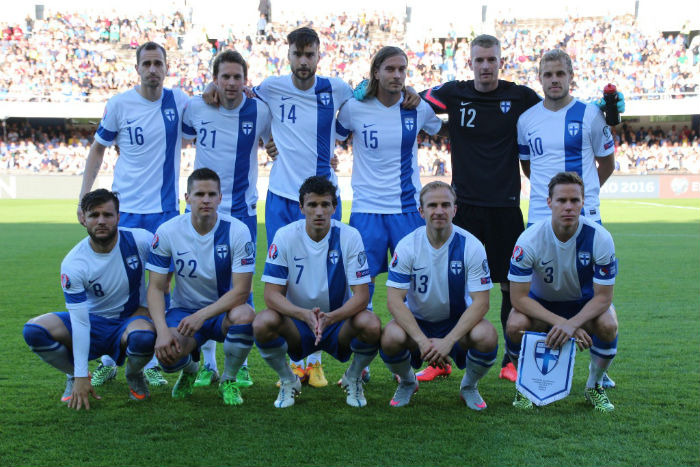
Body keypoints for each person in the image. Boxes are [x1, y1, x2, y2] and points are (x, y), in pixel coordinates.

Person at [420, 35, 620, 386]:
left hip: (527, 211)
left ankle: (567, 369)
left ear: (502, 61)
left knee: (538, 290)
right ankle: (450, 356)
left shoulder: (542, 104)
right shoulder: (490, 104)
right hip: (499, 212)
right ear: (471, 62)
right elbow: (528, 166)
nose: (486, 65)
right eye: (479, 60)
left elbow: (603, 156)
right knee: (471, 286)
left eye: (560, 73)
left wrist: (581, 198)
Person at [78, 41, 189, 388]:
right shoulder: (119, 104)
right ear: (137, 68)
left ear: (167, 67)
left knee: (160, 285)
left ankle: (152, 359)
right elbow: (98, 149)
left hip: (164, 212)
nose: (153, 69)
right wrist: (83, 198)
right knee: (118, 284)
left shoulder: (179, 101)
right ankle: (110, 358)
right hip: (123, 212)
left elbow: (211, 114)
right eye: (147, 63)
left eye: (158, 63)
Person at [182, 50, 271, 390]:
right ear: (215, 79)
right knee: (201, 286)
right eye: (225, 77)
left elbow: (275, 141)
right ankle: (207, 365)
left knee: (241, 289)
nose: (231, 83)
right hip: (202, 210)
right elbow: (182, 135)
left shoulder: (259, 110)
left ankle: (241, 365)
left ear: (246, 81)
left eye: (237, 77)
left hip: (242, 212)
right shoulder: (196, 106)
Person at [254, 176, 381, 408]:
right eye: (312, 205)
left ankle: (353, 377)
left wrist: (330, 317)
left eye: (325, 204)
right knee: (263, 322)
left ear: (334, 207)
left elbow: (362, 295)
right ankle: (288, 380)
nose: (319, 211)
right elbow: (271, 294)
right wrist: (303, 315)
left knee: (371, 324)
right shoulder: (285, 235)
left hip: (337, 323)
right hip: (298, 324)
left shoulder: (350, 236)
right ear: (301, 207)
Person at [22, 189, 155, 409]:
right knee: (34, 330)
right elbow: (80, 322)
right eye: (94, 215)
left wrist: (146, 305)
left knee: (144, 337)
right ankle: (74, 376)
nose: (101, 221)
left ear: (118, 217)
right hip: (91, 322)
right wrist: (81, 373)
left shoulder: (140, 240)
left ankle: (134, 374)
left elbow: (165, 273)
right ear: (83, 219)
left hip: (128, 321)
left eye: (107, 215)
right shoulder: (74, 263)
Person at [506, 172, 619, 412]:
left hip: (583, 305)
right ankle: (524, 385)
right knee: (515, 325)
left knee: (608, 324)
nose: (568, 206)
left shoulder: (600, 238)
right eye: (561, 200)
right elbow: (518, 298)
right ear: (549, 202)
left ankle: (594, 385)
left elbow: (604, 297)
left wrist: (574, 323)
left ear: (583, 202)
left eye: (574, 200)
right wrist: (563, 324)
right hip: (542, 305)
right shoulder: (529, 240)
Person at [381, 181, 498, 409]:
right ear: (421, 211)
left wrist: (449, 341)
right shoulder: (407, 246)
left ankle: (469, 386)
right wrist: (422, 340)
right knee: (390, 337)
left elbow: (482, 303)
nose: (439, 211)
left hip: (458, 323)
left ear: (455, 209)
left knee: (487, 335)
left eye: (445, 205)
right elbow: (394, 300)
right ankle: (408, 382)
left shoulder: (471, 246)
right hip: (419, 322)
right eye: (432, 205)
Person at [146, 169, 256, 405]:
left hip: (223, 312)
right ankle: (190, 368)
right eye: (199, 194)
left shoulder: (237, 231)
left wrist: (202, 315)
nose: (206, 200)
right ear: (187, 198)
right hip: (184, 311)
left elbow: (242, 291)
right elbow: (155, 287)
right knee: (167, 357)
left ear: (220, 198)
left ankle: (228, 379)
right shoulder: (168, 231)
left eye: (211, 194)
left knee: (246, 315)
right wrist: (162, 331)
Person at [517, 49, 615, 226]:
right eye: (548, 75)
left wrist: (580, 194)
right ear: (540, 78)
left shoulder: (591, 115)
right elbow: (528, 166)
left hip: (584, 215)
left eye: (560, 73)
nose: (554, 79)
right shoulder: (525, 120)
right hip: (540, 215)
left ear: (571, 76)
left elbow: (607, 164)